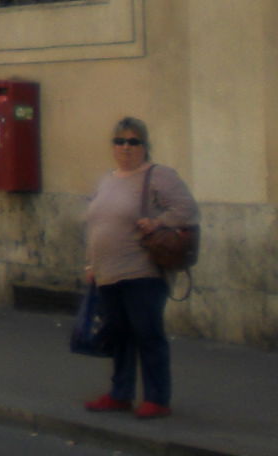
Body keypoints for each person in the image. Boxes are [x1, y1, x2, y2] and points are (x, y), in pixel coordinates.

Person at [83, 117, 196, 419]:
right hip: (108, 272)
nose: (126, 147)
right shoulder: (108, 179)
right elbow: (96, 223)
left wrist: (159, 222)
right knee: (119, 334)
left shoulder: (159, 176)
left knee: (147, 334)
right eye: (120, 141)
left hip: (142, 271)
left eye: (133, 141)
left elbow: (187, 209)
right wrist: (92, 263)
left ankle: (157, 399)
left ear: (145, 146)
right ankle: (120, 394)